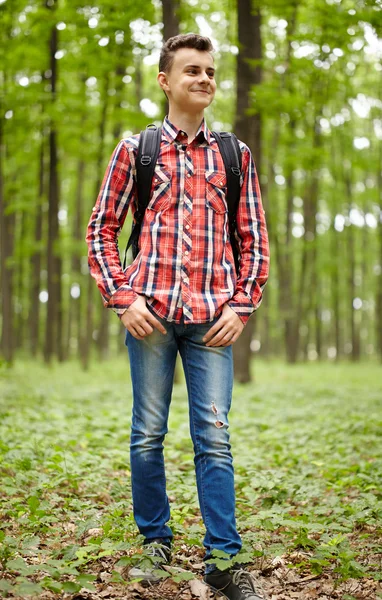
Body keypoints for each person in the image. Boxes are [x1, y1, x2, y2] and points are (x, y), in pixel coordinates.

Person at [86, 33, 269, 600]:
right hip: (152, 317)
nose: (204, 79)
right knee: (147, 435)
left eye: (211, 72)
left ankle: (222, 560)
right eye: (192, 70)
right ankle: (155, 546)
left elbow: (253, 240)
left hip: (214, 319)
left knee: (214, 437)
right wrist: (123, 297)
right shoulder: (135, 151)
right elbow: (101, 231)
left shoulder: (234, 156)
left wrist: (243, 304)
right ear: (165, 81)